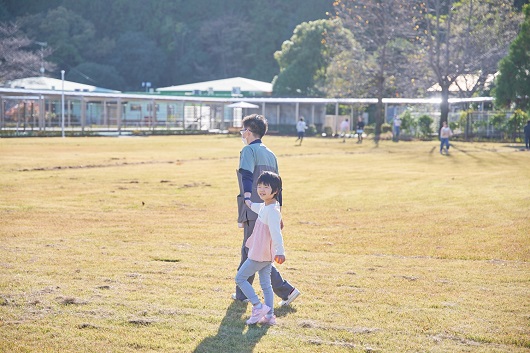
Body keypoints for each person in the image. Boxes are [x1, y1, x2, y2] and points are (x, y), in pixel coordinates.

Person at [234, 114, 300, 307]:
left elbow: (245, 176)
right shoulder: (271, 154)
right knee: (255, 250)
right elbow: (279, 185)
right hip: (269, 207)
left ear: (248, 131)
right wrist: (278, 211)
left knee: (252, 250)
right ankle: (242, 293)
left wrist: (246, 198)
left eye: (243, 130)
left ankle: (286, 291)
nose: (242, 133)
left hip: (254, 208)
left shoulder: (248, 151)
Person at [235, 171, 285, 325]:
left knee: (240, 278)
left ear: (275, 191)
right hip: (265, 255)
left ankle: (258, 307)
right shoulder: (268, 206)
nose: (261, 189)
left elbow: (277, 234)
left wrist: (281, 252)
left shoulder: (272, 211)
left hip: (259, 253)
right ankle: (269, 316)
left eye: (266, 186)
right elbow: (259, 208)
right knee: (265, 284)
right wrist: (248, 202)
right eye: (259, 186)